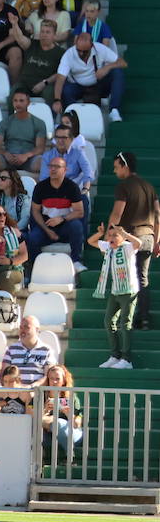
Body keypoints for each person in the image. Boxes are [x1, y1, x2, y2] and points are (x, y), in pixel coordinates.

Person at [106, 152, 156, 330]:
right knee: (142, 279)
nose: (114, 171)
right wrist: (157, 239)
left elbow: (117, 213)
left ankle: (127, 319)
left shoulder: (123, 186)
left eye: (116, 167)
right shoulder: (149, 186)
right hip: (148, 237)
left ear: (125, 166)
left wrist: (108, 233)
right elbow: (157, 214)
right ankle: (144, 320)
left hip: (131, 239)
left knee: (126, 279)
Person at [90, 222, 143, 370]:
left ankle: (127, 360)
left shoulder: (128, 246)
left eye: (115, 235)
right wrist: (100, 234)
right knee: (108, 322)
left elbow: (138, 243)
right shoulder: (108, 247)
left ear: (122, 237)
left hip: (129, 291)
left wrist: (125, 234)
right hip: (115, 291)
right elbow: (91, 241)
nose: (111, 238)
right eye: (110, 235)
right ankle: (115, 356)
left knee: (125, 324)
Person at [28, 154, 86, 271]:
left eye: (57, 166)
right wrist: (47, 230)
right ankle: (35, 268)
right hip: (46, 226)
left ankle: (76, 260)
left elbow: (79, 212)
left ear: (65, 169)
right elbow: (35, 211)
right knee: (33, 237)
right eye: (51, 166)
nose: (53, 169)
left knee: (77, 226)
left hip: (65, 226)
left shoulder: (72, 187)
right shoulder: (40, 187)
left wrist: (62, 218)